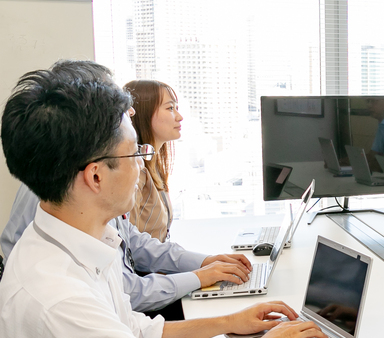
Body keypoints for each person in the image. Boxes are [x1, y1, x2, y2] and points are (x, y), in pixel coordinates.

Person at [0, 64, 329, 338]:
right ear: (96, 177)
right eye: (134, 152)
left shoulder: (81, 240)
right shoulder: (60, 300)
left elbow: (134, 330)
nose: (143, 163)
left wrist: (230, 321)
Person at [1, 62, 254, 314]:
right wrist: (200, 276)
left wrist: (203, 264)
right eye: (116, 103)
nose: (130, 111)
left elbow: (132, 243)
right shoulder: (73, 186)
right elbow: (130, 292)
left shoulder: (102, 194)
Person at [123, 79, 182, 241]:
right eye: (170, 108)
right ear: (144, 113)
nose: (179, 117)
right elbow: (131, 244)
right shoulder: (136, 171)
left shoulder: (154, 166)